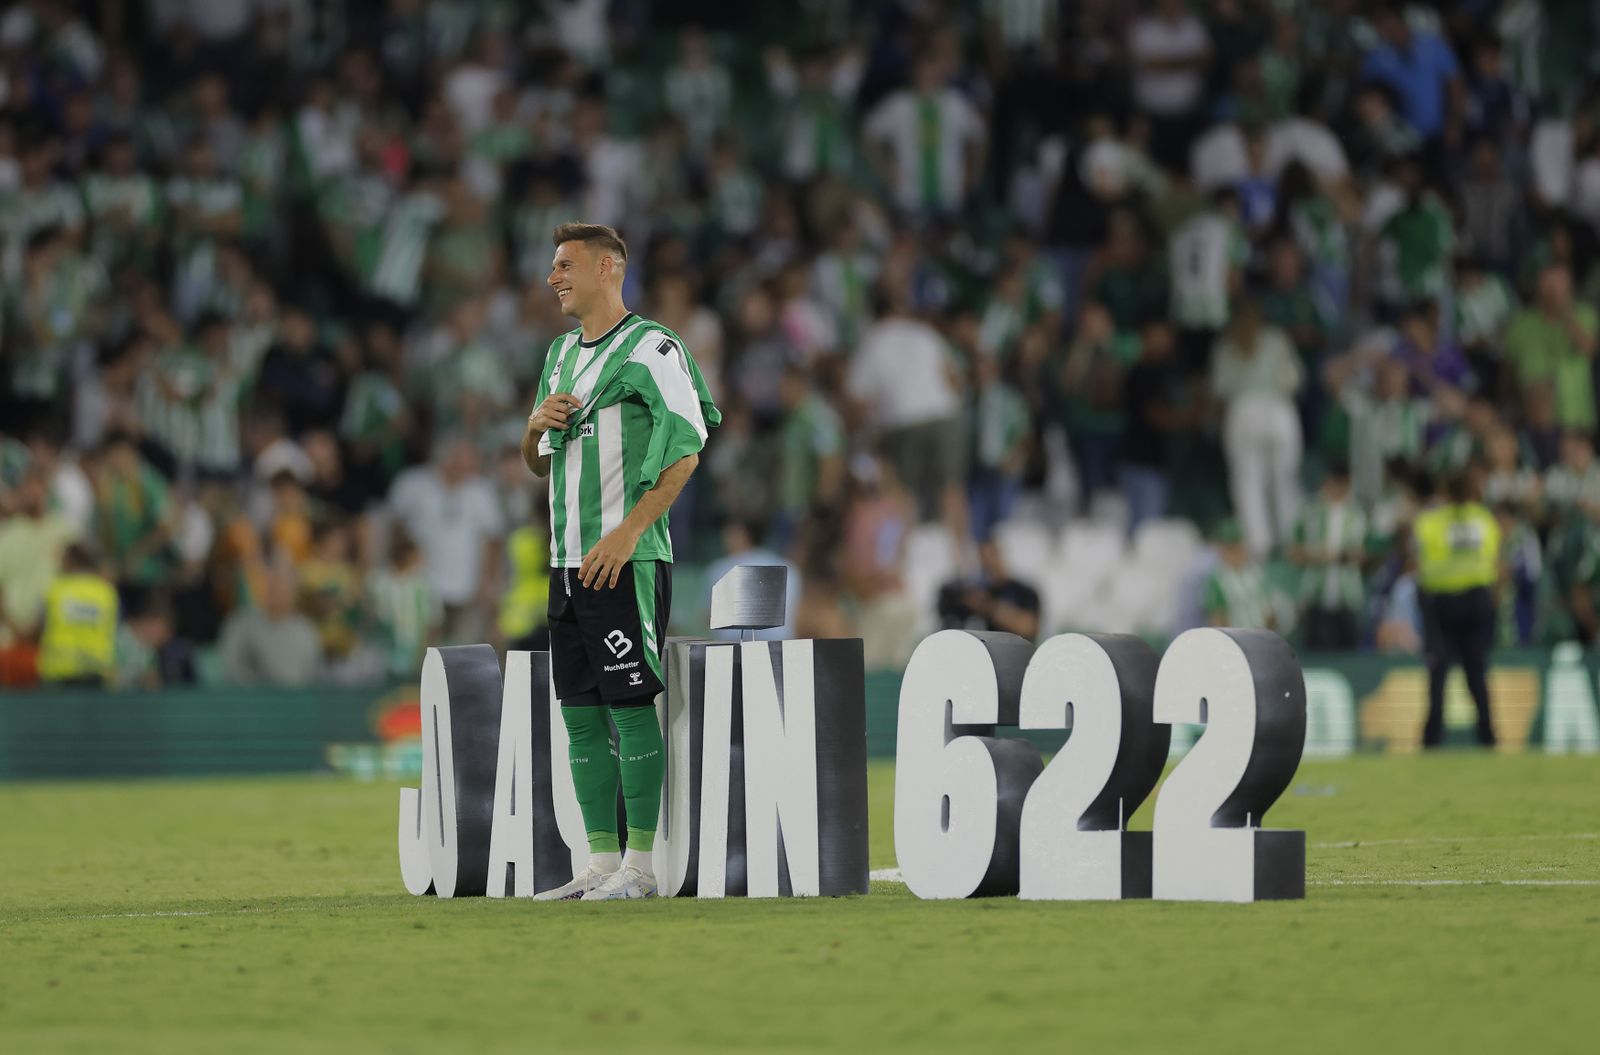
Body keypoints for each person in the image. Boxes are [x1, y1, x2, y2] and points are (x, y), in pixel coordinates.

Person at [521, 222, 720, 902]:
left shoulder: (653, 348)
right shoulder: (558, 355)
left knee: (630, 705)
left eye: (565, 265)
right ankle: (601, 865)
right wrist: (532, 428)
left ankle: (641, 867)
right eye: (552, 266)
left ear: (607, 268)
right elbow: (537, 463)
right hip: (565, 560)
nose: (553, 277)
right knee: (579, 713)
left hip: (622, 559)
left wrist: (630, 533)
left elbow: (687, 447)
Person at [1412, 472, 1501, 748]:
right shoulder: (1484, 519)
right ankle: (1487, 737)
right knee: (1476, 671)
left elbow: (1419, 560)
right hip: (1477, 601)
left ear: (1445, 492)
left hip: (1442, 602)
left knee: (1438, 670)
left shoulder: (1430, 521)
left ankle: (1432, 739)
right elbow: (1493, 559)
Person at [36, 544, 119, 686]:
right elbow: (114, 630)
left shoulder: (55, 590)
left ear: (70, 562)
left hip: (59, 671)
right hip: (96, 670)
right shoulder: (106, 592)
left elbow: (39, 627)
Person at [937, 539, 1041, 640]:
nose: (987, 564)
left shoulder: (1023, 591)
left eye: (991, 556)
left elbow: (1028, 628)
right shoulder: (971, 591)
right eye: (982, 559)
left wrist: (987, 606)